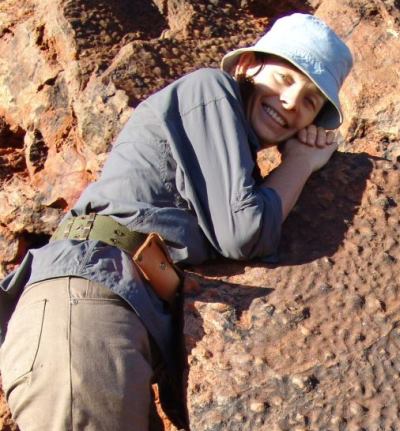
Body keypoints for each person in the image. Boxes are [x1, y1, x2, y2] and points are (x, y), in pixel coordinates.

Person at [0, 13, 353, 430]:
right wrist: (300, 163)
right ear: (247, 65)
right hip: (87, 315)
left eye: (311, 100)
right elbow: (245, 231)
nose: (293, 102)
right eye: (285, 78)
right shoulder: (211, 90)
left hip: (109, 322)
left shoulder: (237, 164)